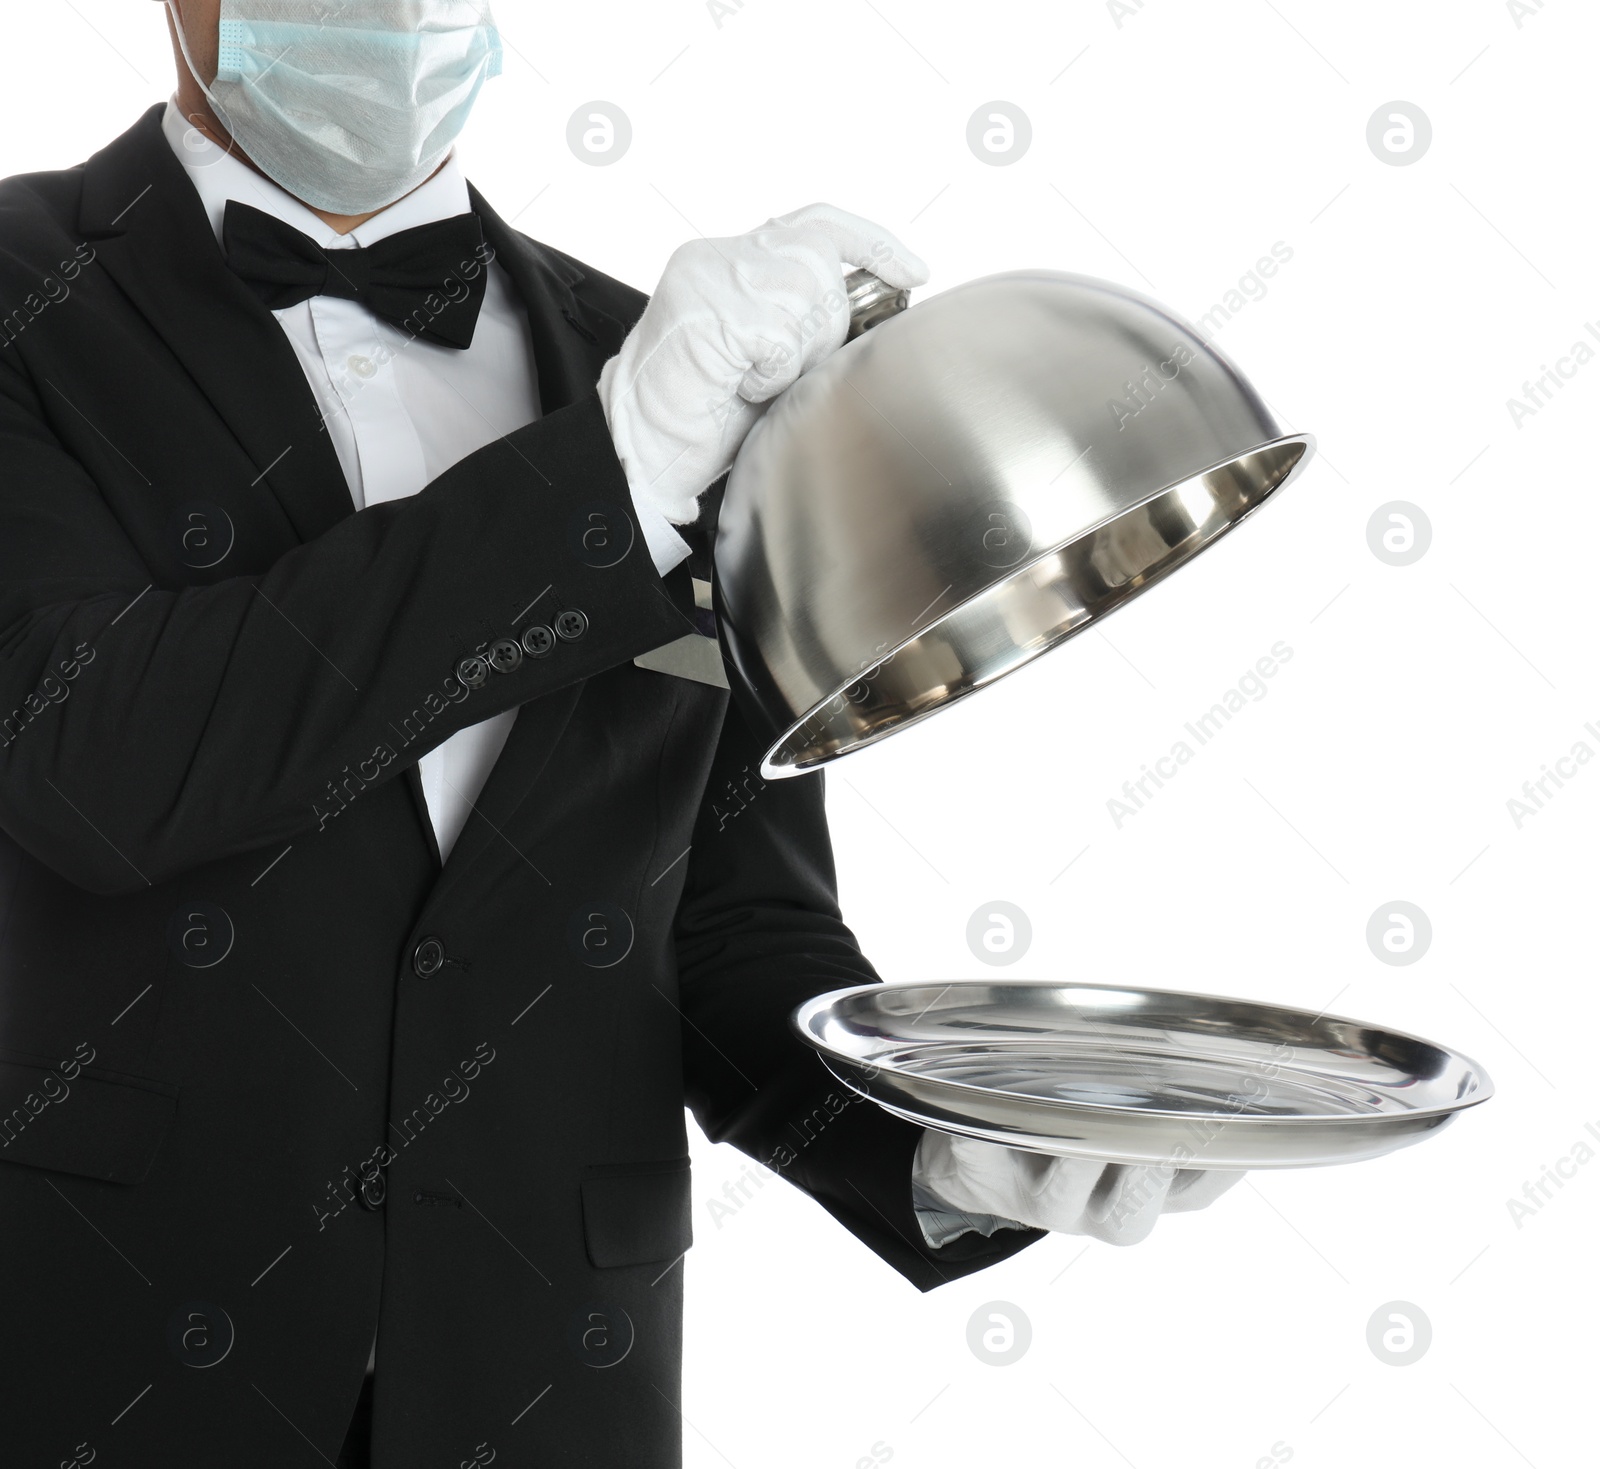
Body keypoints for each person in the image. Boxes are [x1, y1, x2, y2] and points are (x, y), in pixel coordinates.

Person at [0, 3, 1240, 1463]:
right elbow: (95, 759)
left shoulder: (659, 369)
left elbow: (722, 925)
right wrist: (614, 470)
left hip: (548, 1383)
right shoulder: (29, 297)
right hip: (116, 1362)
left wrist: (940, 1144)